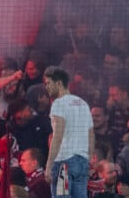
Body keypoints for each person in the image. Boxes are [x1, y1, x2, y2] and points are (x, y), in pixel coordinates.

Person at [43, 66, 93, 198]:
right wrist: (88, 160)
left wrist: (49, 165)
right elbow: (91, 136)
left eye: (48, 83)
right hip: (82, 163)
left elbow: (57, 136)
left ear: (58, 83)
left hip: (64, 165)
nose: (46, 87)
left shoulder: (58, 104)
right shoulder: (83, 104)